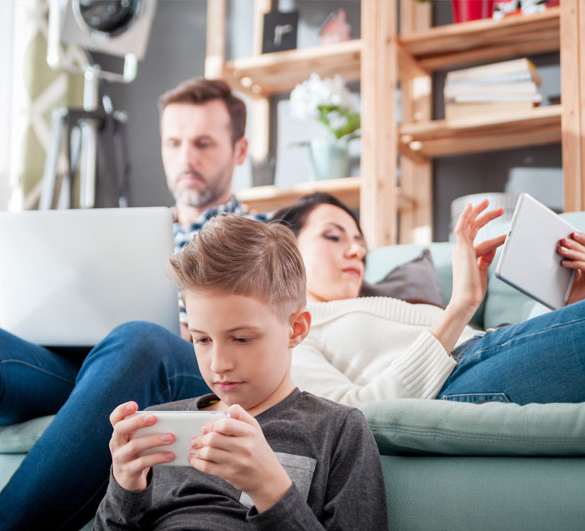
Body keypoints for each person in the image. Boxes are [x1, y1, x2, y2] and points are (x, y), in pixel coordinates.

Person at [0, 78, 268, 531]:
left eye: (202, 143)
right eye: (173, 143)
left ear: (239, 151)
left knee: (138, 338)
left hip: (181, 363)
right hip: (98, 367)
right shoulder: (129, 231)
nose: (185, 158)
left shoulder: (266, 235)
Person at [95, 214, 387, 530]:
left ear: (295, 328)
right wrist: (124, 487)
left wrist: (271, 490)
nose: (219, 363)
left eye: (241, 338)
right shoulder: (159, 429)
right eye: (202, 339)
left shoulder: (338, 431)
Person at [271, 193, 585, 406]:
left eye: (359, 242)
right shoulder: (289, 335)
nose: (355, 250)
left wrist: (572, 303)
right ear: (284, 248)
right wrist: (460, 307)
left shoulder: (379, 307)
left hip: (484, 355)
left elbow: (490, 349)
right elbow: (353, 415)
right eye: (333, 237)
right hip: (455, 382)